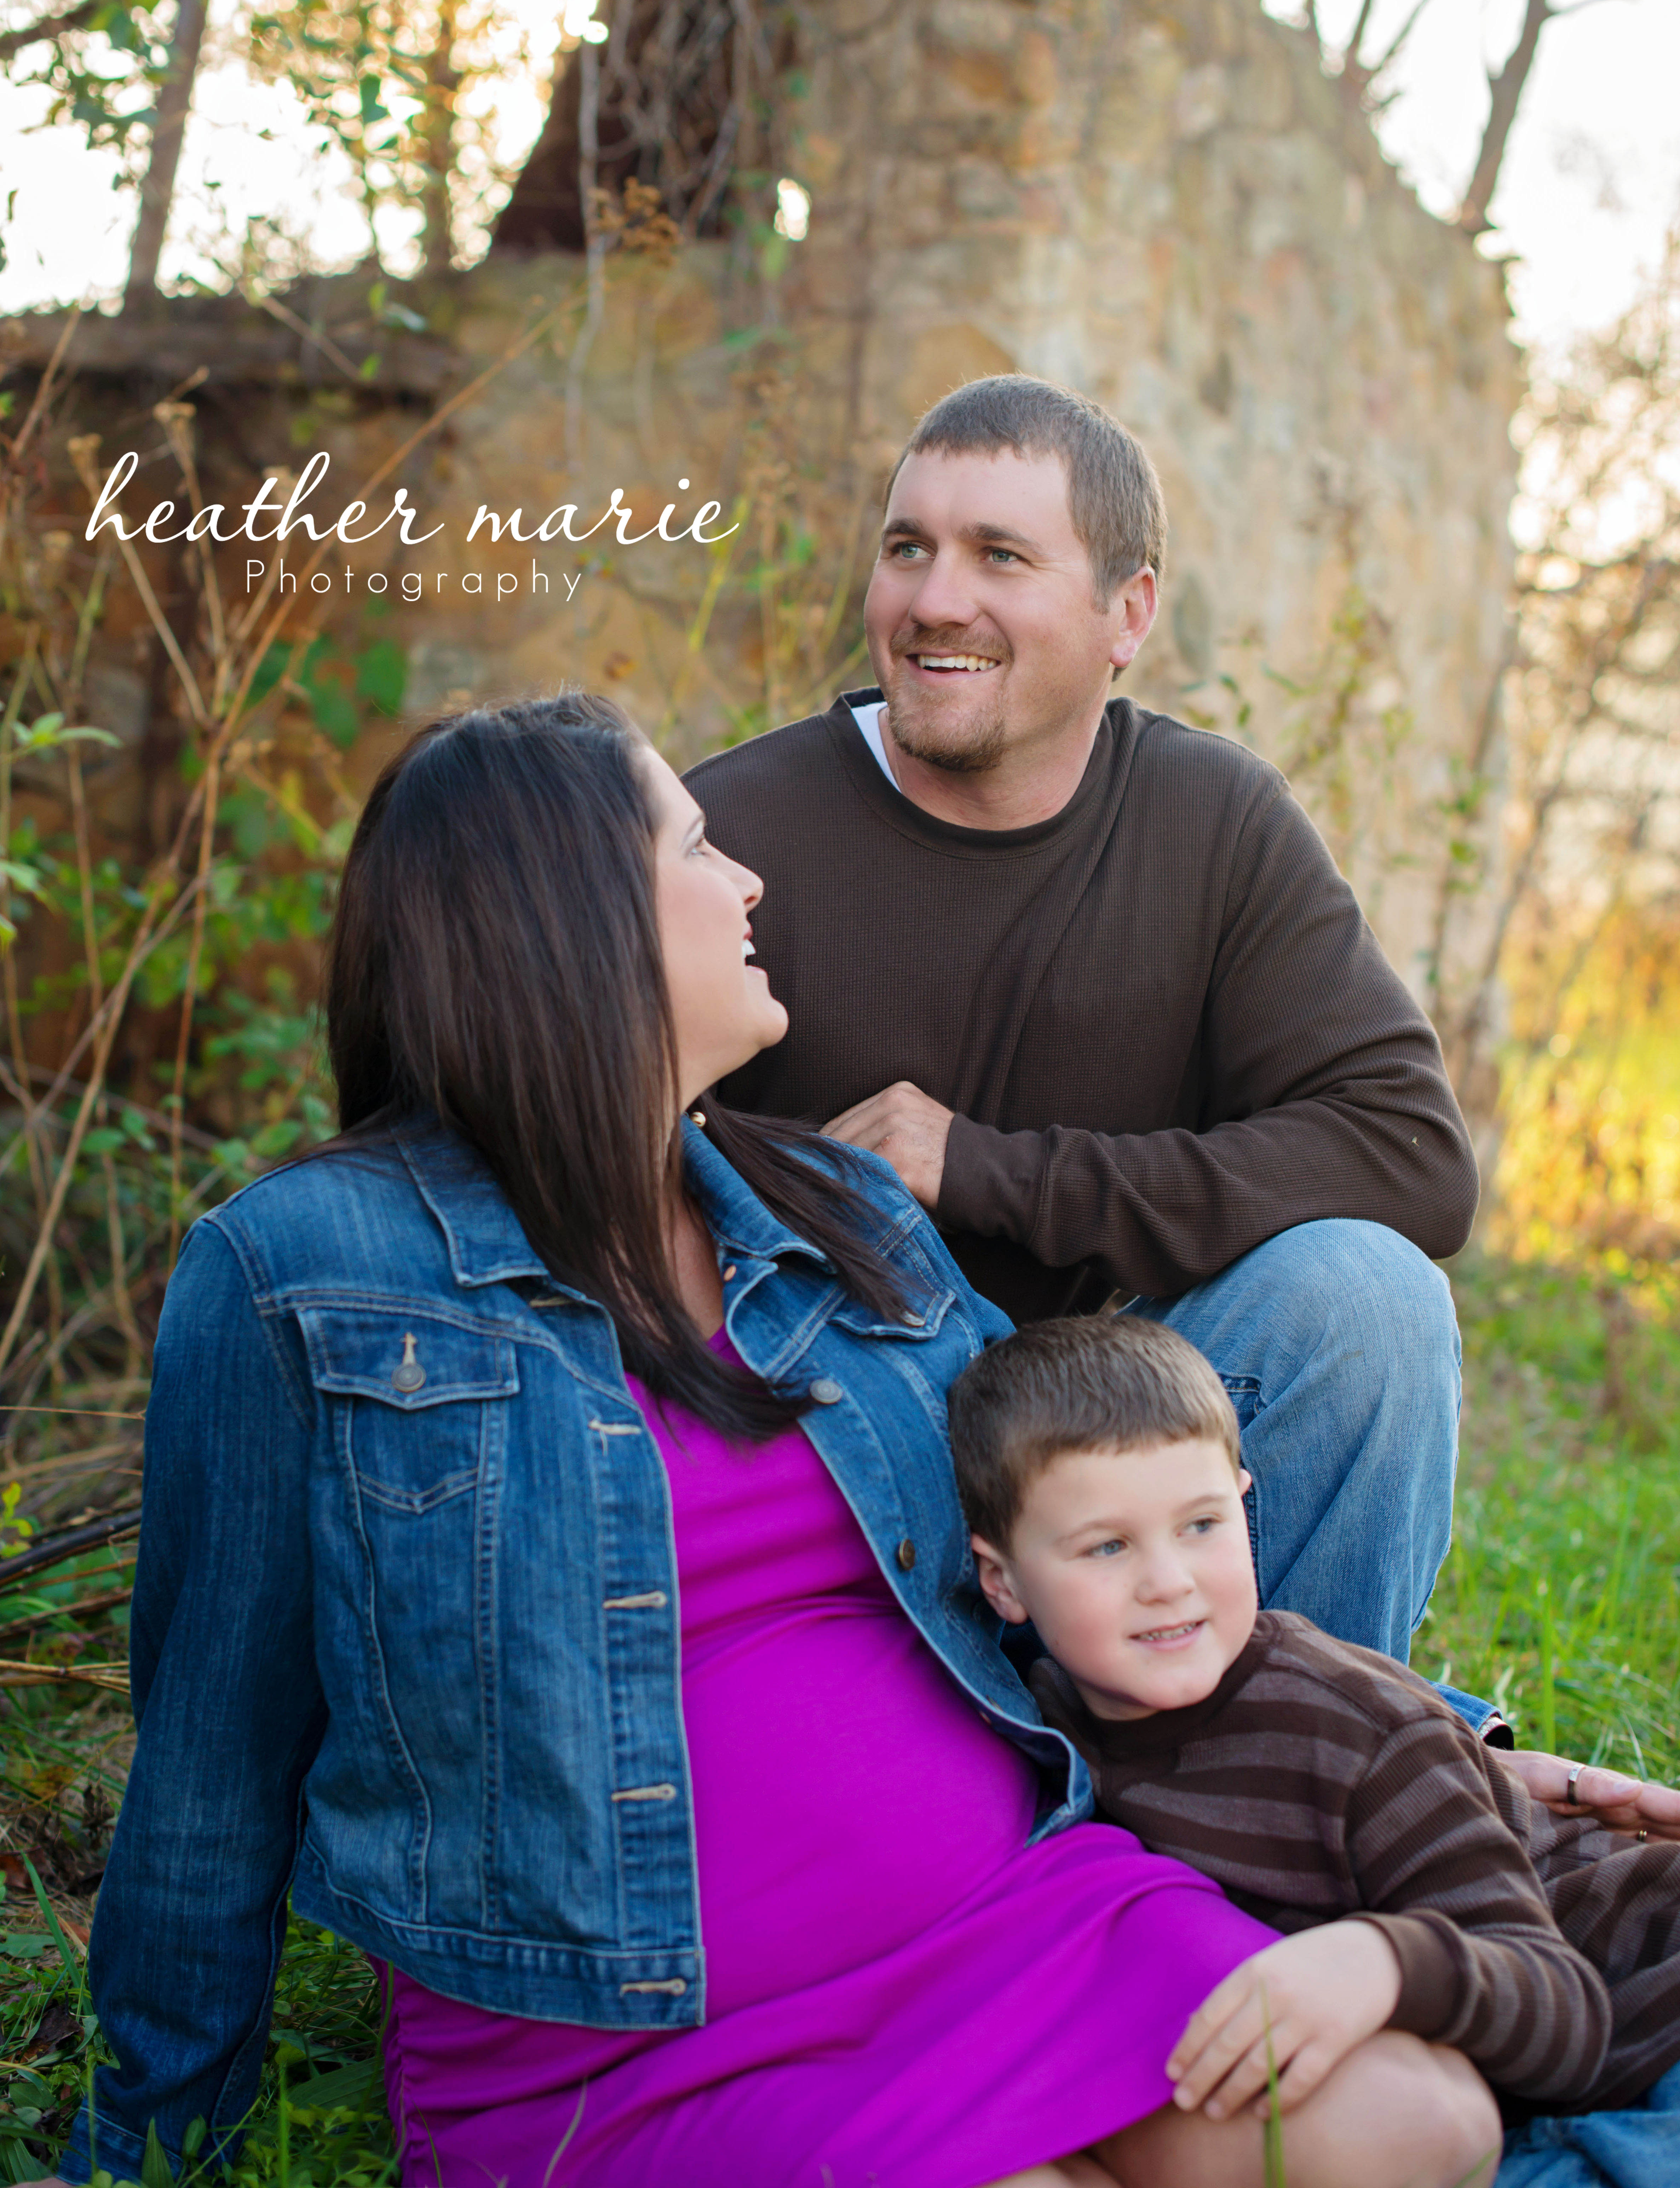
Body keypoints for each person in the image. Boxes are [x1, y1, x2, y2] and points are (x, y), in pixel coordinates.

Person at [48, 693, 1498, 2188]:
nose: (748, 883)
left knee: (1423, 2120)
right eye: (695, 847)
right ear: (570, 914)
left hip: (1012, 1918)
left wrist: (1447, 1749)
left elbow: (1069, 1533)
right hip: (618, 2039)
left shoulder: (832, 1209)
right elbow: (212, 1751)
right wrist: (145, 2149)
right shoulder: (304, 1270)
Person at [685, 367, 1680, 1842]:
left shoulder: (1208, 824)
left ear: (1127, 612)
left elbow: (1408, 1154)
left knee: (1362, 1295)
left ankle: (1306, 1793)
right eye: (908, 547)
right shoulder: (727, 834)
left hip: (1110, 1452)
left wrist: (989, 1170)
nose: (934, 600)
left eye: (999, 556)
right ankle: (1238, 1774)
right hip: (837, 1461)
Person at [946, 1310, 1680, 2135]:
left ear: (1242, 1504)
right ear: (1001, 1582)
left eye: (1201, 1525)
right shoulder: (1039, 1725)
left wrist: (1383, 1959)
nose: (1169, 1581)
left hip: (1642, 2002)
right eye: (1107, 1547)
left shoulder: (1355, 1730)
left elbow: (1565, 2016)